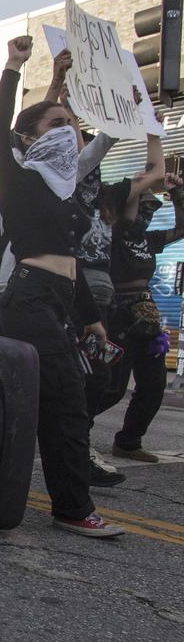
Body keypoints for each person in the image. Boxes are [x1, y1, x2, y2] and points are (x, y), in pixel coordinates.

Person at [0, 36, 162, 538]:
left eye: (71, 124)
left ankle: (17, 484)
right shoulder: (17, 179)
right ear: (31, 140)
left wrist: (92, 320)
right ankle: (72, 507)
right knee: (65, 399)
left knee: (68, 394)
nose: (69, 130)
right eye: (57, 124)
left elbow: (73, 265)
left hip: (62, 299)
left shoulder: (65, 185)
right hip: (27, 298)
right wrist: (12, 68)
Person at [90, 171, 183, 464]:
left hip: (146, 314)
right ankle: (71, 430)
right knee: (112, 386)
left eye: (152, 209)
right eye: (143, 206)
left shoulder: (148, 239)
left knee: (154, 385)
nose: (147, 213)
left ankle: (129, 441)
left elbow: (181, 229)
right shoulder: (112, 233)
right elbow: (127, 208)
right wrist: (145, 180)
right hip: (116, 315)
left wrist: (178, 197)